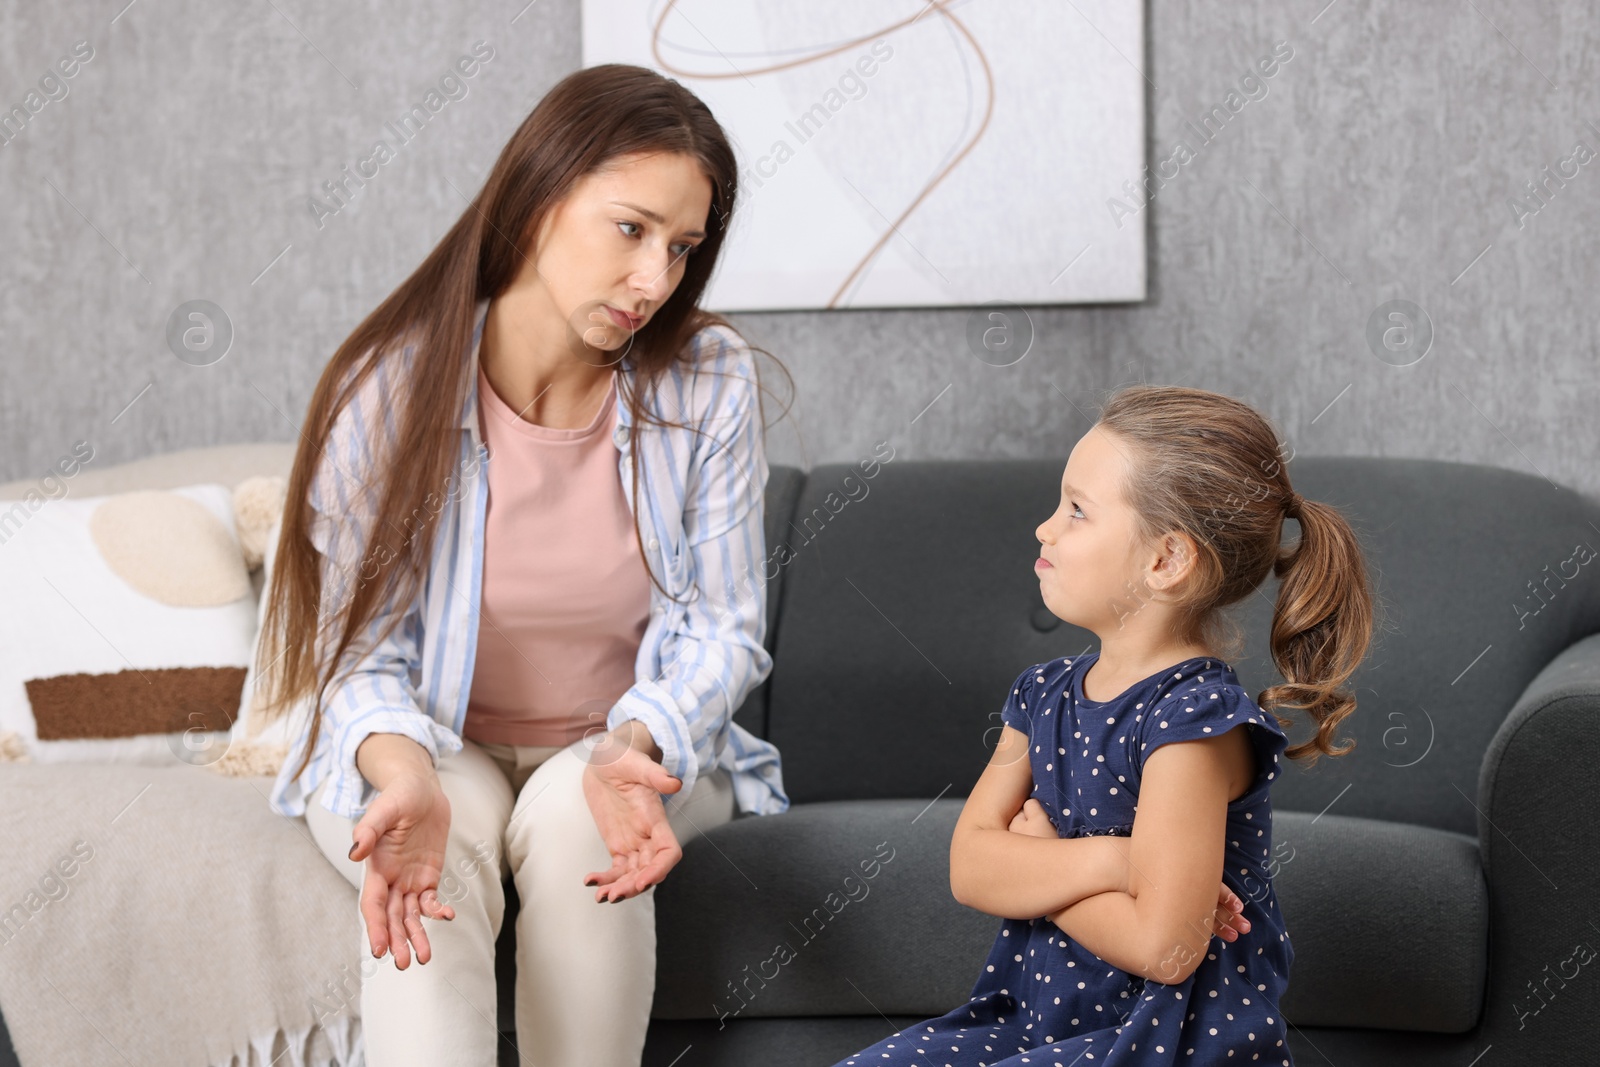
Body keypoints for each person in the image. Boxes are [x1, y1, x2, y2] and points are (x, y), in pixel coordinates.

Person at [249, 64, 795, 1067]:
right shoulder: (389, 390)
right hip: (430, 734)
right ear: (537, 201)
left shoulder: (705, 380)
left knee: (589, 815)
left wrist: (635, 739)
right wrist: (403, 770)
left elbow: (725, 628)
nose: (655, 282)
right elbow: (354, 656)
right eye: (630, 229)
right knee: (435, 835)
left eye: (682, 248)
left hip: (624, 740)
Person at [831, 385, 1374, 1066]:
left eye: (1077, 510)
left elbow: (1165, 949)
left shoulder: (1194, 722)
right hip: (1037, 1024)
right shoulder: (1041, 693)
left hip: (1159, 1041)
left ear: (1166, 560)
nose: (1045, 527)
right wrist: (1118, 863)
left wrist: (1041, 863)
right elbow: (970, 866)